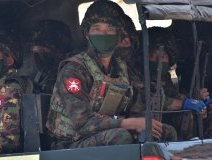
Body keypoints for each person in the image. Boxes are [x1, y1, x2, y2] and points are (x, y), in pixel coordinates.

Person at [46, 0, 176, 150]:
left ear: (118, 34)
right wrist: (130, 124)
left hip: (104, 134)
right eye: (97, 29)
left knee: (165, 132)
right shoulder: (74, 70)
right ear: (87, 34)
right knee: (120, 136)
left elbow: (135, 105)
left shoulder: (121, 68)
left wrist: (143, 123)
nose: (104, 35)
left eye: (110, 29)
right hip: (70, 143)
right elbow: (83, 123)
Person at [146, 27, 212, 139]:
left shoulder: (165, 78)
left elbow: (173, 95)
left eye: (163, 57)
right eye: (152, 56)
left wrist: (196, 100)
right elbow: (148, 100)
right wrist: (183, 103)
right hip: (144, 120)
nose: (158, 61)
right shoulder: (136, 74)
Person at [28, 19, 72, 94]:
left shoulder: (72, 73)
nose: (38, 55)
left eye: (43, 50)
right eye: (34, 50)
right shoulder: (42, 74)